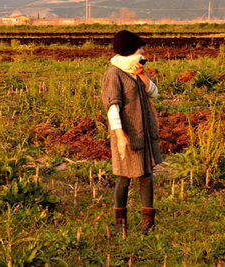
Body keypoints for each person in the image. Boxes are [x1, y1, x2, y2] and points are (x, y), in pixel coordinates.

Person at [101, 30, 162, 235]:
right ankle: (120, 224)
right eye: (140, 48)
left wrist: (142, 75)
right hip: (127, 135)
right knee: (123, 177)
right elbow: (112, 106)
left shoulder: (135, 71)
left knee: (146, 175)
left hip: (143, 133)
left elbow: (153, 92)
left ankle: (148, 222)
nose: (143, 52)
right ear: (130, 51)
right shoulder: (114, 73)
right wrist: (120, 136)